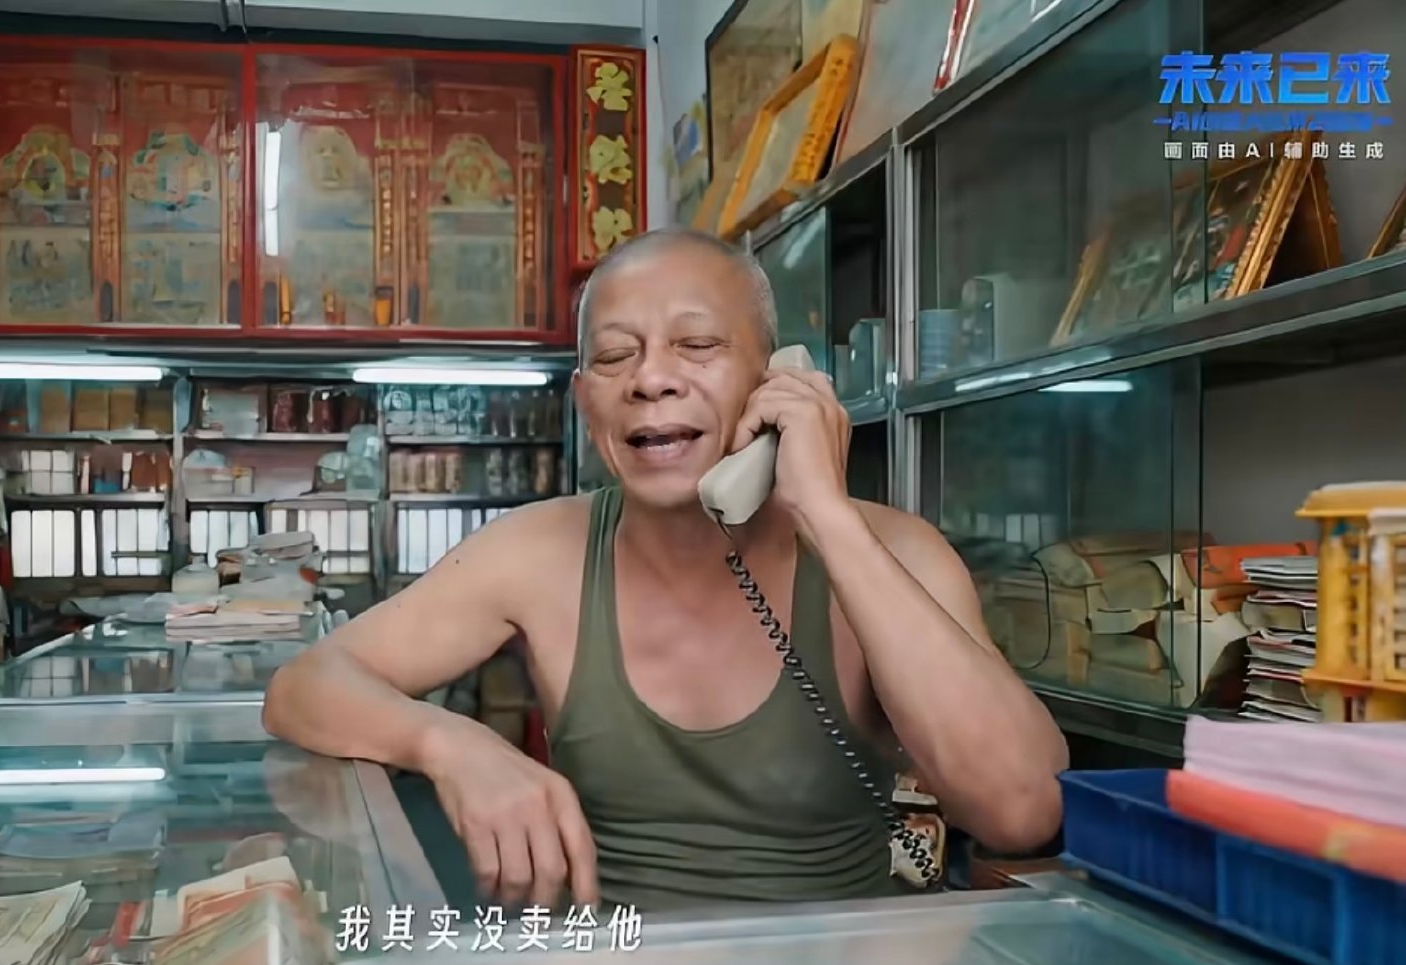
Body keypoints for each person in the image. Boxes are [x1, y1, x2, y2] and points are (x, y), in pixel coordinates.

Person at [264, 226, 1067, 913]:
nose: (650, 379)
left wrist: (827, 517)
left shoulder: (897, 553)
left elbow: (1021, 811)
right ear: (586, 401)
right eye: (616, 356)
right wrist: (450, 743)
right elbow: (305, 685)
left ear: (777, 378)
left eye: (698, 346)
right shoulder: (535, 550)